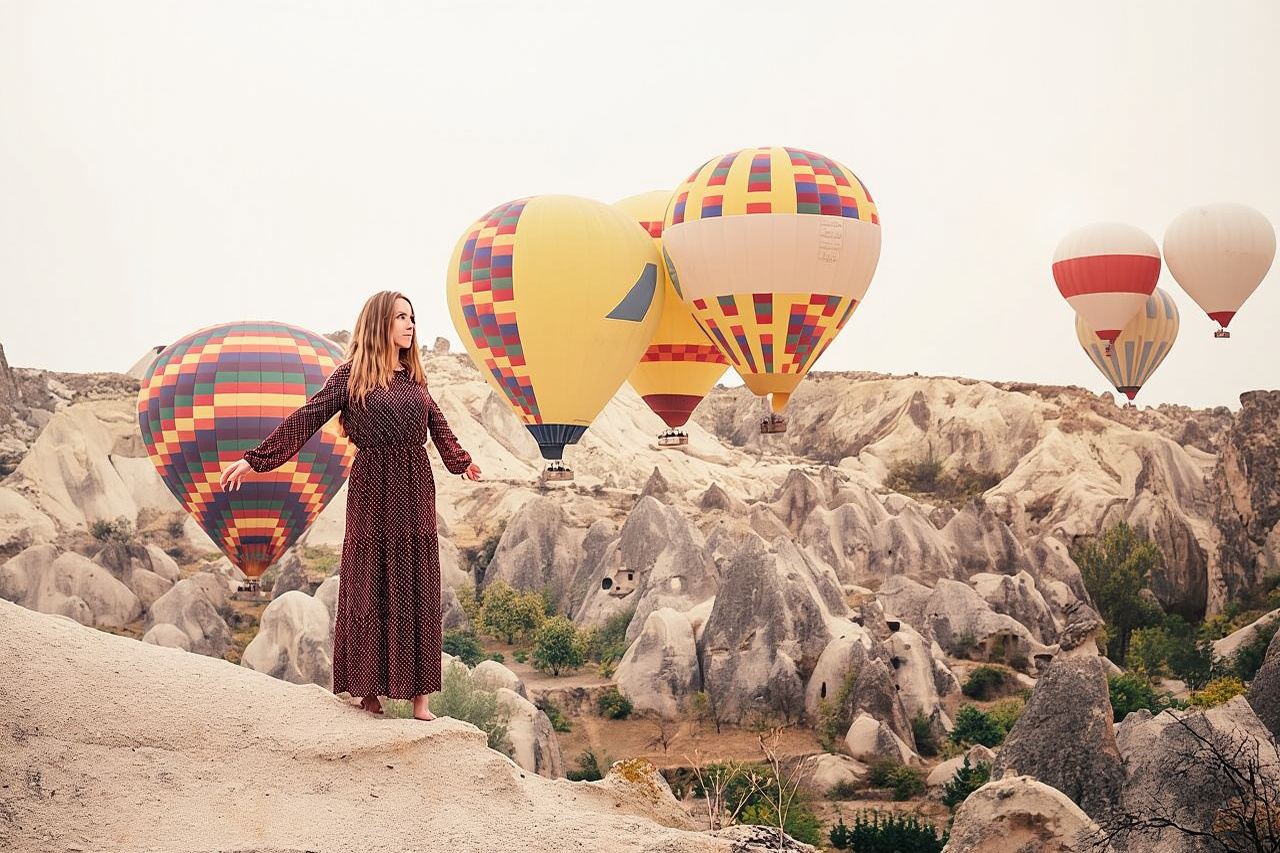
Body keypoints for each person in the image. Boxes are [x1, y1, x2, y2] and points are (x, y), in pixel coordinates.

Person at [219, 291, 481, 721]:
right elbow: (306, 418)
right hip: (371, 486)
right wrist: (256, 459)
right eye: (401, 317)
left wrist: (461, 461)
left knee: (417, 582)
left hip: (415, 485)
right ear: (380, 323)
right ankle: (368, 690)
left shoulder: (415, 378)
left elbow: (437, 424)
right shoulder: (350, 377)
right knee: (368, 584)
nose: (410, 324)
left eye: (412, 317)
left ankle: (420, 699)